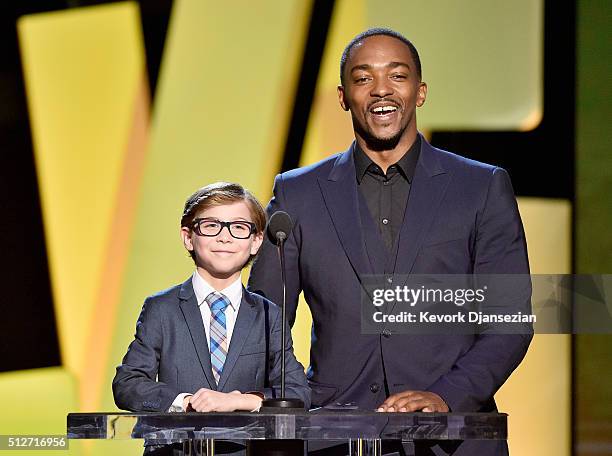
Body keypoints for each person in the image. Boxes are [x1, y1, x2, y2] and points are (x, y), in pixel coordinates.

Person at [248, 28, 532, 455]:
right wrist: (295, 399)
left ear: (420, 92)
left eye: (397, 76)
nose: (381, 90)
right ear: (344, 97)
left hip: (453, 438)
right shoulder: (298, 193)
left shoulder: (481, 186)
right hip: (334, 438)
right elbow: (265, 322)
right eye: (363, 79)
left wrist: (446, 397)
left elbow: (509, 321)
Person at [113, 182, 310, 454]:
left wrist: (238, 401)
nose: (225, 237)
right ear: (187, 236)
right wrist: (186, 401)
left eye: (239, 227)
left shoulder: (267, 314)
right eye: (211, 226)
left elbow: (298, 392)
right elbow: (128, 383)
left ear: (255, 242)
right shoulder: (161, 308)